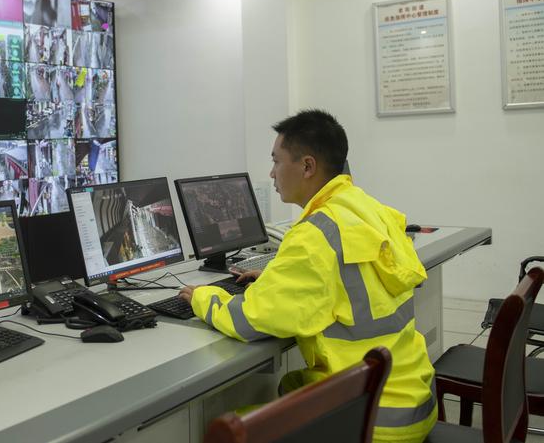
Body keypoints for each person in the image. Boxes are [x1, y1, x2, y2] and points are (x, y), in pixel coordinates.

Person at [179, 109, 436, 443]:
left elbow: (248, 321)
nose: (271, 174)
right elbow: (345, 276)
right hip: (413, 400)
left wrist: (203, 296)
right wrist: (276, 275)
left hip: (373, 421)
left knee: (233, 428)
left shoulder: (315, 235)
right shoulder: (367, 208)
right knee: (291, 385)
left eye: (276, 161)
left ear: (307, 166)